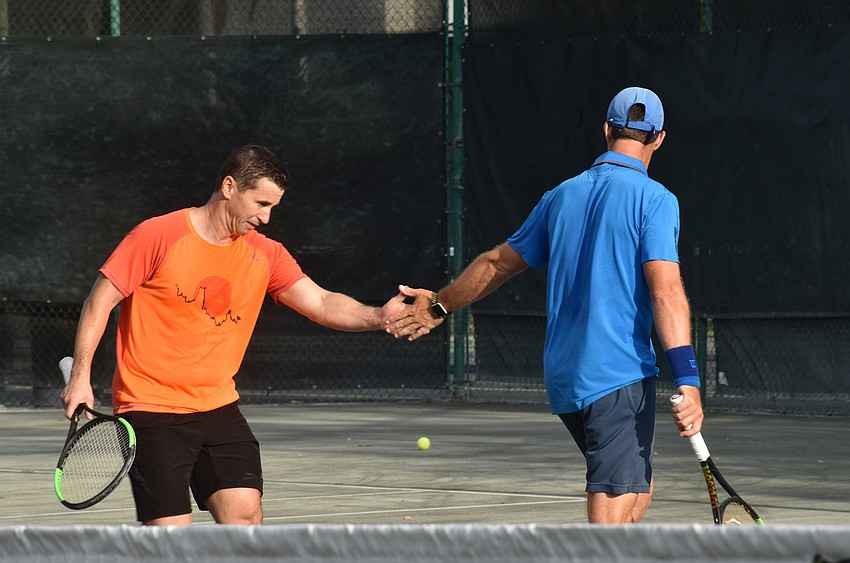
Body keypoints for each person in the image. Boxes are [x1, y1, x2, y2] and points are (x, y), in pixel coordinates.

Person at [385, 87, 705, 524]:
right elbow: (666, 291)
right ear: (659, 138)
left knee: (637, 489)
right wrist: (688, 378)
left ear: (606, 130)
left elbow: (496, 264)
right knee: (615, 497)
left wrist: (438, 305)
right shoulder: (656, 200)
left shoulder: (561, 195)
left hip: (564, 377)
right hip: (617, 373)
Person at [60, 144, 406, 526]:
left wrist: (379, 315)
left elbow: (322, 302)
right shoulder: (157, 235)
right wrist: (80, 378)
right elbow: (99, 302)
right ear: (229, 187)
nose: (266, 217)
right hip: (151, 408)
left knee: (245, 517)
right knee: (168, 536)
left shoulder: (266, 254)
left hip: (218, 407)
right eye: (261, 203)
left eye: (273, 207)